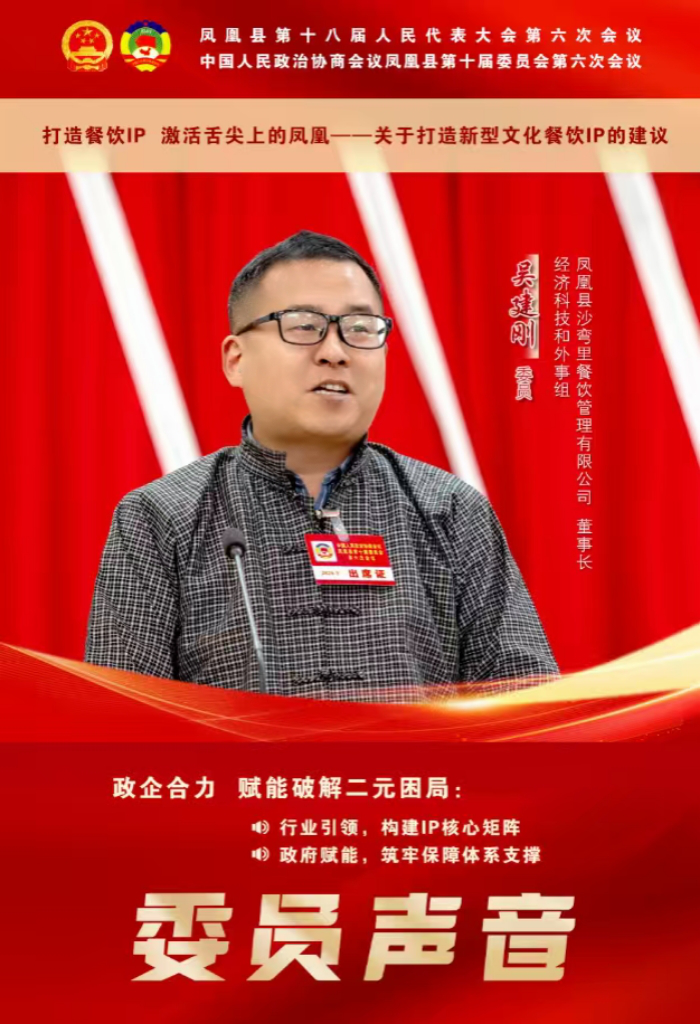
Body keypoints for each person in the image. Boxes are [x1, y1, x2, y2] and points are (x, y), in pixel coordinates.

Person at [85, 230, 558, 701]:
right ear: (236, 359)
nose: (335, 351)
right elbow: (121, 719)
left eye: (360, 328)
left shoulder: (449, 510)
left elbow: (525, 704)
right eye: (304, 325)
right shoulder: (161, 516)